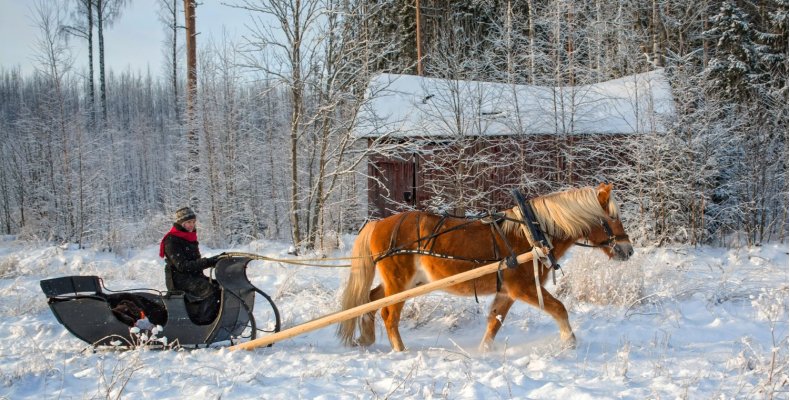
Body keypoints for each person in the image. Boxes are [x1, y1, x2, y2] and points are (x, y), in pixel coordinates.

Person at [159, 206, 222, 324]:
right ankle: (202, 323)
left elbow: (194, 262)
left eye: (193, 222)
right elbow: (182, 266)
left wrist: (217, 260)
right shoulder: (171, 240)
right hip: (178, 278)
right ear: (181, 223)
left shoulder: (190, 237)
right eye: (188, 222)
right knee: (209, 289)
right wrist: (208, 262)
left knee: (220, 286)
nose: (192, 225)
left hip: (192, 276)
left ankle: (216, 320)